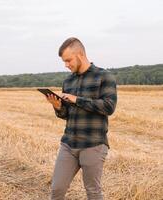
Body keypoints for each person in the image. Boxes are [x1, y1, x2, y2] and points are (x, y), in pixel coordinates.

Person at [46, 37, 117, 200]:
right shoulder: (68, 81)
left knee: (93, 192)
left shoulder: (104, 76)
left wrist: (76, 99)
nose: (66, 65)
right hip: (68, 144)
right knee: (56, 189)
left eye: (68, 60)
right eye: (64, 62)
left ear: (80, 54)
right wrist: (57, 106)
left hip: (93, 144)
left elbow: (109, 107)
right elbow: (66, 114)